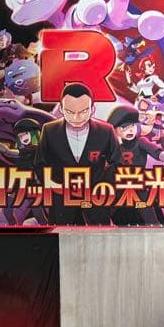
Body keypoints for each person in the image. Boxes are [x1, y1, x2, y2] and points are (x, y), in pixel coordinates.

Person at [33, 82, 121, 224]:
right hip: (62, 198)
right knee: (60, 235)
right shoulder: (49, 130)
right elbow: (40, 163)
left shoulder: (106, 131)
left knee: (98, 235)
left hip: (96, 197)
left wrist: (104, 186)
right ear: (61, 109)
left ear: (92, 109)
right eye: (70, 112)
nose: (76, 118)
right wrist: (52, 185)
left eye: (83, 111)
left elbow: (117, 163)